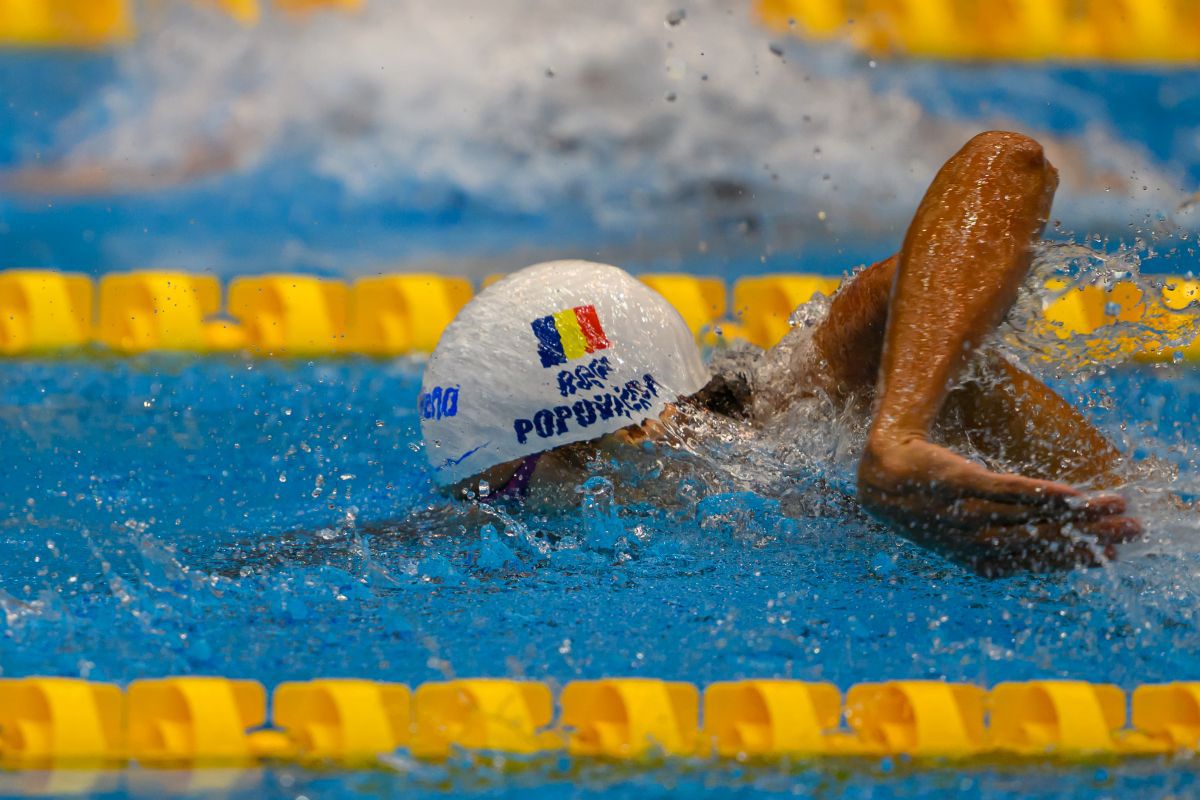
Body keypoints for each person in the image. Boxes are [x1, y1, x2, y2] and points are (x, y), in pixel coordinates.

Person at [420, 130, 1142, 576]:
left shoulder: (803, 401)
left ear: (625, 432)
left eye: (508, 493)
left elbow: (1007, 162)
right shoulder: (715, 486)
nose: (500, 522)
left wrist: (898, 437)